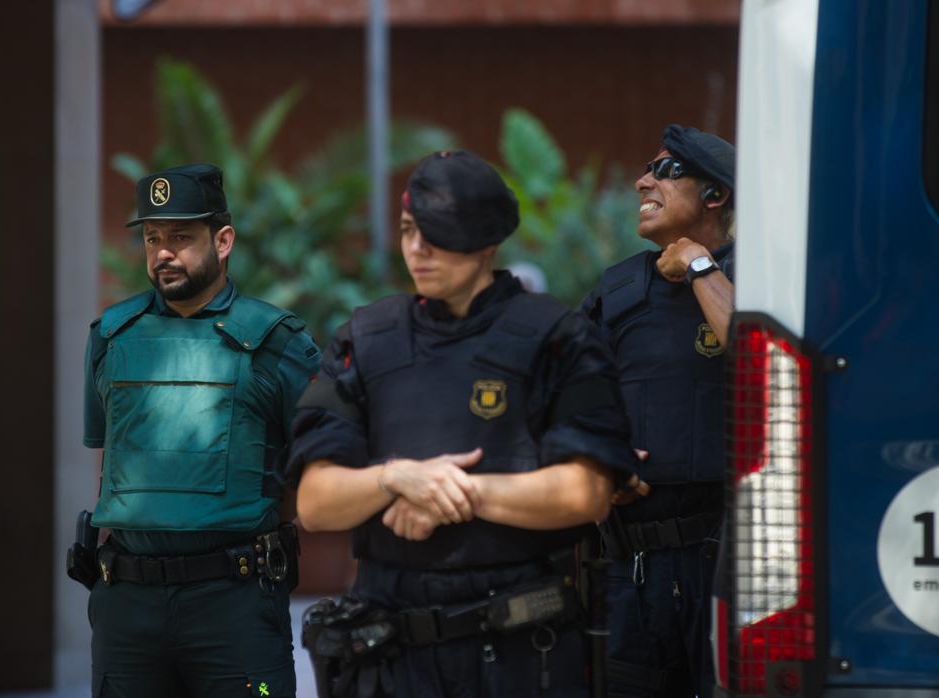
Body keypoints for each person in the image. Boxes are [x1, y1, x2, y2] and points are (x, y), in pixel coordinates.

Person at [288, 150, 638, 698]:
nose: (416, 248)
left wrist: (456, 493)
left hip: (523, 655)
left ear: (489, 240)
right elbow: (315, 502)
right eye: (408, 229)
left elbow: (585, 493)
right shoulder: (364, 338)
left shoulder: (559, 338)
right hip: (392, 659)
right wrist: (395, 478)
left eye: (438, 231)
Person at [80, 163, 319, 698]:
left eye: (181, 236)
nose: (163, 252)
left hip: (232, 600)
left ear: (224, 240)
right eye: (152, 237)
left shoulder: (277, 341)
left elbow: (320, 464)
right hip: (127, 604)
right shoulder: (111, 337)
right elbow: (111, 461)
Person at [579, 125, 736, 698]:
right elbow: (567, 395)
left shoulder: (764, 275)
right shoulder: (619, 289)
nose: (643, 181)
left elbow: (758, 356)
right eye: (647, 170)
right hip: (633, 564)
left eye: (665, 172)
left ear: (714, 195)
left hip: (730, 562)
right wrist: (598, 456)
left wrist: (699, 265)